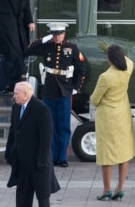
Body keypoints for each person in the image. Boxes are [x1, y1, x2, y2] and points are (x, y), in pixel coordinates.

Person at [25, 23, 86, 167]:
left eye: (59, 34)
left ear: (64, 34)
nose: (57, 37)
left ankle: (62, 157)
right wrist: (43, 39)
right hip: (49, 90)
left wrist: (77, 87)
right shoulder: (46, 46)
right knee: (49, 124)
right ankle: (52, 156)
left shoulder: (71, 48)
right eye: (54, 34)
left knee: (63, 125)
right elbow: (28, 50)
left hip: (65, 90)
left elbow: (81, 68)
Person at [90, 44, 135, 201]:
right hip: (122, 114)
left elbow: (94, 99)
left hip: (108, 118)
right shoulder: (128, 67)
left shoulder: (106, 77)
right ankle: (120, 188)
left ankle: (106, 190)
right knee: (123, 153)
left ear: (109, 59)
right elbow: (128, 59)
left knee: (107, 155)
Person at [5, 81, 60, 207]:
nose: (14, 96)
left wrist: (42, 160)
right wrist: (9, 153)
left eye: (16, 93)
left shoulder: (41, 109)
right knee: (22, 195)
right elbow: (13, 132)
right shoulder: (16, 107)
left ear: (25, 94)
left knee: (42, 196)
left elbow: (46, 137)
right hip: (22, 161)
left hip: (37, 162)